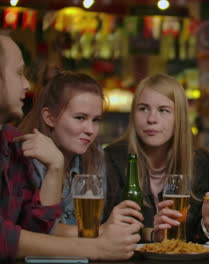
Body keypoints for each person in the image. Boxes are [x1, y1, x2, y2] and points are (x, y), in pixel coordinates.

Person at [0, 32, 140, 260]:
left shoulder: (94, 156)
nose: (90, 129)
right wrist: (98, 240)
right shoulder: (24, 150)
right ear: (49, 117)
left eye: (96, 120)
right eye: (80, 118)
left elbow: (36, 226)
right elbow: (33, 233)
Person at [104, 73, 209, 243]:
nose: (151, 119)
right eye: (143, 108)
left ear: (179, 118)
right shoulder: (112, 158)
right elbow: (100, 228)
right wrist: (151, 234)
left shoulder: (202, 163)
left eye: (163, 110)